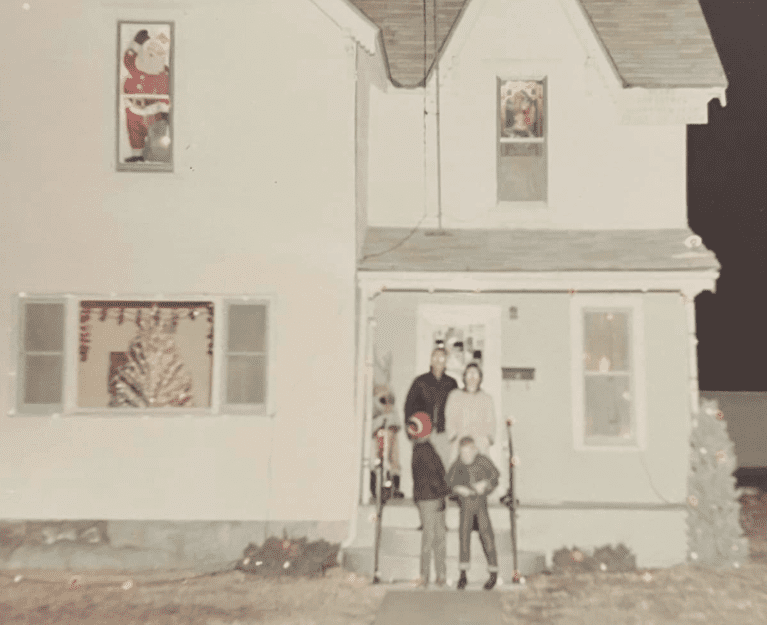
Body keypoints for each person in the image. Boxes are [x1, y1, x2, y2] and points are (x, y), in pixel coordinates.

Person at [447, 436, 500, 590]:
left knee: (487, 536)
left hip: (480, 505)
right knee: (464, 537)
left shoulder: (483, 461)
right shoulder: (457, 464)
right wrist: (458, 489)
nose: (465, 456)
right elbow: (449, 483)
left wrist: (486, 484)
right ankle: (463, 574)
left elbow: (495, 475)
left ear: (475, 450)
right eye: (462, 453)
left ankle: (493, 572)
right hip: (466, 507)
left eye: (468, 453)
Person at [408, 411, 451, 588]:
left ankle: (438, 575)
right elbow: (433, 476)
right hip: (431, 498)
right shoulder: (424, 451)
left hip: (432, 497)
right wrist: (443, 493)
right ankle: (428, 575)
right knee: (432, 538)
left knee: (437, 536)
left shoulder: (423, 448)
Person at [404, 347, 459, 471]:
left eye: (442, 357)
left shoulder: (452, 383)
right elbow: (409, 407)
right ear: (430, 360)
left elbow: (456, 410)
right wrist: (412, 431)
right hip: (422, 435)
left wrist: (454, 434)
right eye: (435, 356)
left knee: (445, 471)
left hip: (443, 435)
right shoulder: (419, 382)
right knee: (423, 472)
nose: (438, 360)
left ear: (446, 361)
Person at [122, 29, 171, 163]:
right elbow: (128, 56)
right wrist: (137, 42)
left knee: (156, 134)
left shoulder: (164, 75)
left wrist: (166, 111)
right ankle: (137, 155)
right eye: (150, 51)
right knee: (134, 133)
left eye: (158, 53)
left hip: (154, 112)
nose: (152, 55)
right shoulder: (136, 66)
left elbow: (166, 92)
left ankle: (157, 156)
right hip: (133, 108)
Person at [445, 363, 496, 466]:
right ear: (464, 377)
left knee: (481, 471)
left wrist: (487, 439)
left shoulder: (486, 399)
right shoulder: (455, 396)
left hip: (480, 444)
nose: (472, 377)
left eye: (475, 374)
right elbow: (449, 419)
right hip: (459, 442)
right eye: (469, 374)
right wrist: (453, 436)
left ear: (480, 378)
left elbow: (491, 422)